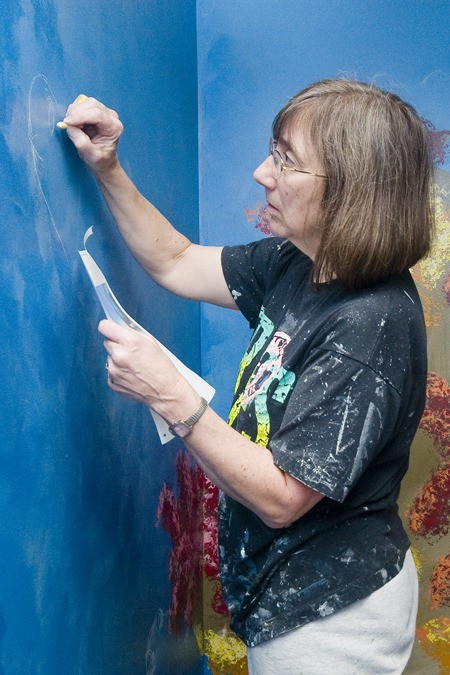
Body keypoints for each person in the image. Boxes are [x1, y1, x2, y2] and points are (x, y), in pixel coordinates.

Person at [63, 79, 434, 674]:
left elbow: (284, 499)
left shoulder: (370, 323)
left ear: (350, 191)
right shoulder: (303, 262)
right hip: (288, 601)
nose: (262, 172)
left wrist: (173, 397)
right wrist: (106, 165)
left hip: (330, 620)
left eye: (286, 161)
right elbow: (177, 259)